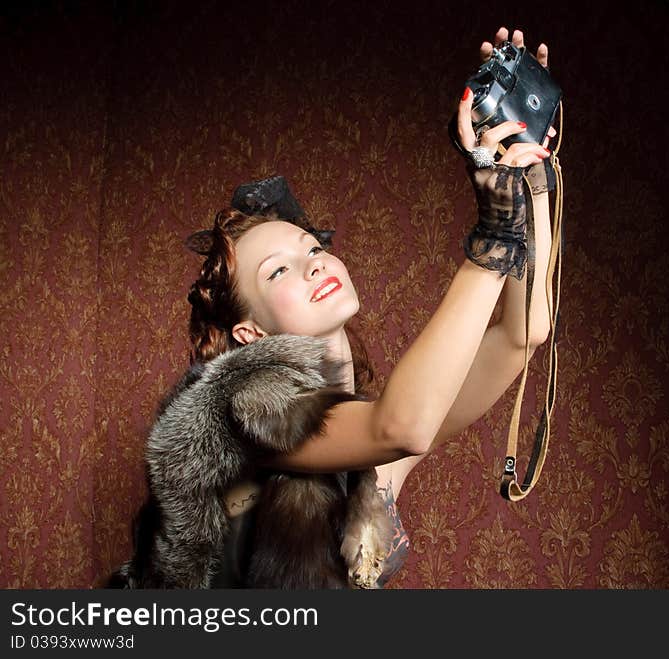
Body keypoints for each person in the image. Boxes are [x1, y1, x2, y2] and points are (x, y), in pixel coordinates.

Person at [108, 27, 556, 589]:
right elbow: (405, 426)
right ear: (248, 335)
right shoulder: (240, 421)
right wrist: (493, 236)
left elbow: (523, 333)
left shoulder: (368, 454)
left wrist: (528, 174)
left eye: (313, 248)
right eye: (277, 271)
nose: (313, 263)